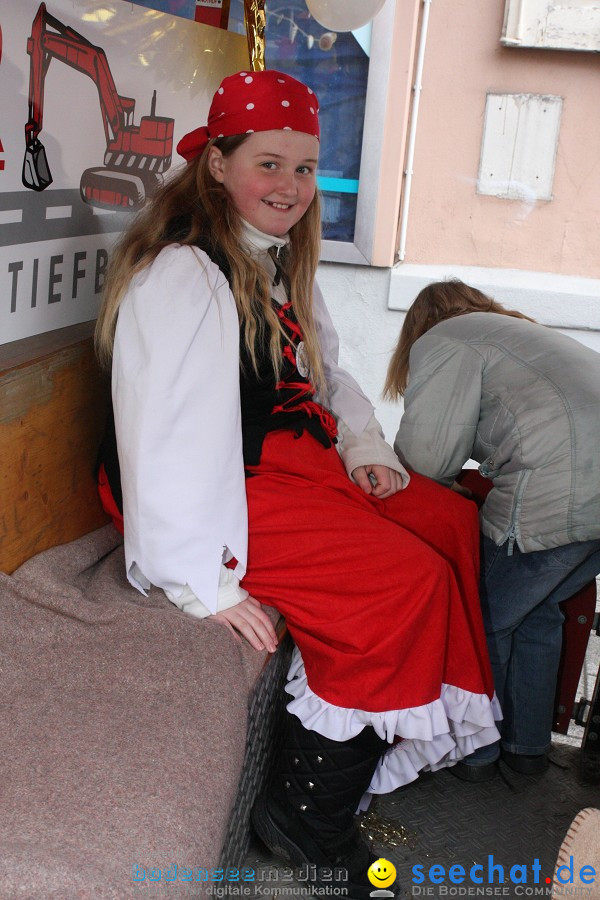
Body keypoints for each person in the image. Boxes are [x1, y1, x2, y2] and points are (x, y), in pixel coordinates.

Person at [94, 72, 499, 896]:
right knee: (403, 582)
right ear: (216, 164)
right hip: (219, 478)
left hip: (289, 456)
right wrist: (199, 580)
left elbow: (327, 375)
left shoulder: (274, 263)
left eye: (307, 169)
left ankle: (364, 746)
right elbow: (164, 436)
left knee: (451, 524)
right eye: (269, 164)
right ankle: (307, 815)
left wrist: (361, 445)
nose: (291, 187)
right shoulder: (184, 275)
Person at [385, 279, 600, 782]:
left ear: (418, 326)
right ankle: (526, 751)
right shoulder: (521, 335)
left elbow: (426, 458)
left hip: (556, 490)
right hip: (589, 500)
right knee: (537, 614)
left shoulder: (445, 339)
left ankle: (475, 754)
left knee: (481, 620)